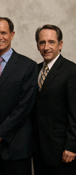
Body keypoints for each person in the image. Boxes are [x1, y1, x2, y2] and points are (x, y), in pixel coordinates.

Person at [0, 17, 38, 175]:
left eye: (3, 32)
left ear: (12, 34)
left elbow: (25, 106)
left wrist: (1, 134)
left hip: (16, 147)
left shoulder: (28, 66)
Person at [33, 24, 76, 175]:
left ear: (60, 44)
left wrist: (72, 146)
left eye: (51, 42)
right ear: (37, 46)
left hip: (62, 151)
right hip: (38, 149)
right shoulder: (35, 70)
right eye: (42, 42)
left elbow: (75, 112)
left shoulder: (71, 71)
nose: (46, 47)